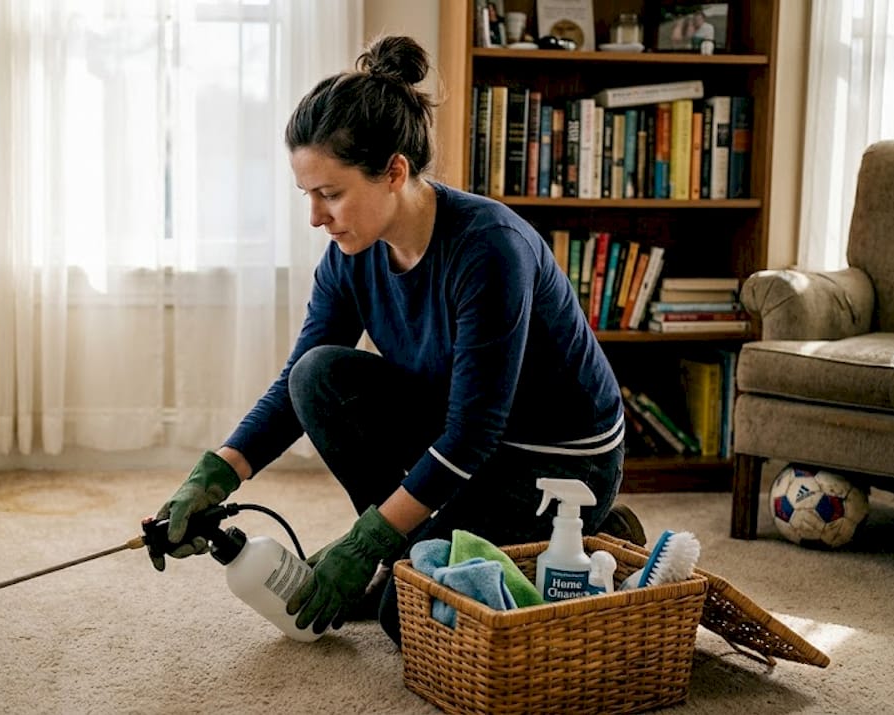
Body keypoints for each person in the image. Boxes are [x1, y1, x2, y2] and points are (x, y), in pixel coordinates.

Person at [147, 35, 642, 644]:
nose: (316, 217)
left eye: (331, 193)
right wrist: (211, 477)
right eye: (308, 194)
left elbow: (473, 432)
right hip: (468, 442)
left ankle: (589, 537)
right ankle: (415, 546)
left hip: (558, 464)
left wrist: (366, 542)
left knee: (404, 619)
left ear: (395, 173)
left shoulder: (489, 249)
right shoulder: (351, 253)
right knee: (319, 376)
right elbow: (294, 383)